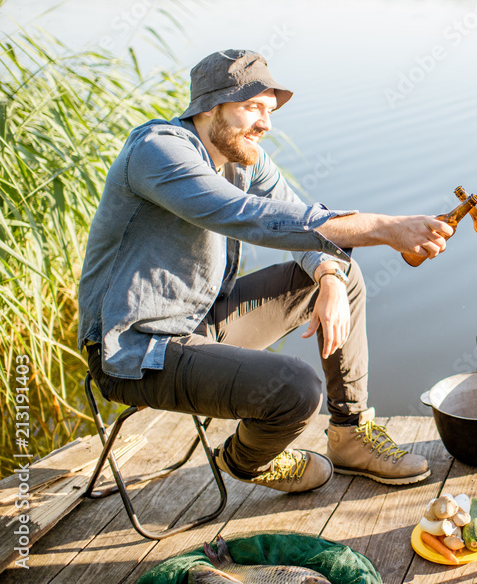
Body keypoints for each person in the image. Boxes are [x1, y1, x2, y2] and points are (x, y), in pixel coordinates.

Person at [78, 49, 453, 493]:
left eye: (269, 111)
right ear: (209, 106)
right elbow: (250, 215)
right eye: (252, 107)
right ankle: (244, 461)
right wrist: (384, 228)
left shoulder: (242, 155)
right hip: (136, 351)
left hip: (202, 324)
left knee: (342, 275)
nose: (266, 124)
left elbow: (298, 218)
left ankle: (350, 434)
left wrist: (330, 276)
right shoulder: (158, 151)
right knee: (295, 388)